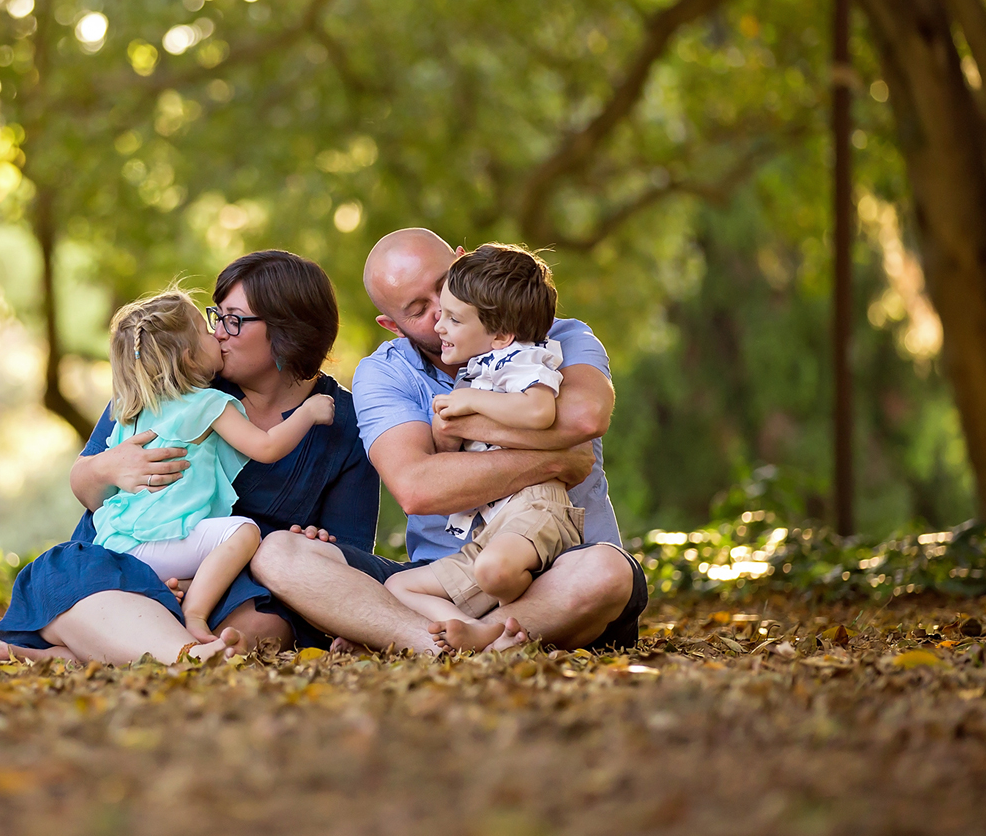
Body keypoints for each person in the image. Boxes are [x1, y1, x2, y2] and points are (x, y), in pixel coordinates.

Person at [251, 228, 648, 655]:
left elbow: (586, 417)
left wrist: (462, 423)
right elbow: (418, 488)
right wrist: (554, 458)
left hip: (562, 571)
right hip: (443, 584)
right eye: (419, 309)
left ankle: (418, 638)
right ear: (393, 326)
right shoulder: (385, 372)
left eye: (444, 285)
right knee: (279, 554)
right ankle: (448, 644)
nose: (442, 311)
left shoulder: (557, 336)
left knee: (607, 571)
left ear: (463, 261)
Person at [0, 250, 378, 666]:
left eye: (234, 320)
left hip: (238, 580)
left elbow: (347, 553)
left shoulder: (347, 424)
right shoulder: (175, 382)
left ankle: (90, 651)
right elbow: (84, 484)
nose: (219, 333)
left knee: (259, 625)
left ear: (288, 331)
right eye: (216, 317)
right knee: (73, 578)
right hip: (126, 559)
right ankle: (185, 654)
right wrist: (108, 466)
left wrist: (314, 546)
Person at [89, 288, 334, 642]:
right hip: (153, 543)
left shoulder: (134, 411)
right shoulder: (206, 404)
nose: (217, 333)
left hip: (115, 540)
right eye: (206, 331)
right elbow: (266, 447)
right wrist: (308, 413)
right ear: (189, 359)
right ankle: (196, 612)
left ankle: (176, 587)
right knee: (242, 533)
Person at [383, 243, 585, 639]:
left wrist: (471, 403)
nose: (440, 324)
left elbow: (539, 412)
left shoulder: (522, 359)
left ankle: (497, 625)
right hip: (488, 529)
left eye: (454, 319)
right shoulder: (476, 370)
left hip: (535, 508)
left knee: (493, 572)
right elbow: (448, 458)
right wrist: (445, 431)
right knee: (399, 587)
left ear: (501, 334)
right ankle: (480, 632)